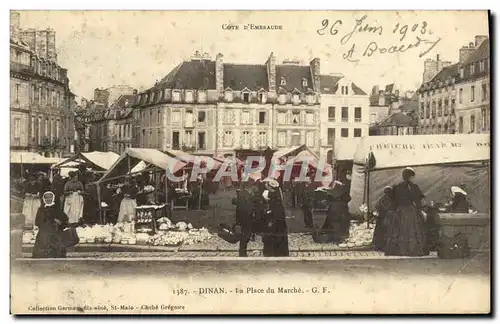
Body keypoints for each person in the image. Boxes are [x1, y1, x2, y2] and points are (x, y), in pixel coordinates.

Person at [384, 167, 429, 257]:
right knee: (413, 230)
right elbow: (418, 199)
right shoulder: (413, 187)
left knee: (399, 230)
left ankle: (398, 250)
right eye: (412, 176)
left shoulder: (397, 186)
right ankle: (412, 250)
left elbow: (393, 199)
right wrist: (420, 209)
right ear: (410, 177)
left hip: (400, 211)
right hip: (410, 211)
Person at [32, 192, 69, 258]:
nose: (48, 199)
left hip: (55, 230)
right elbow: (37, 222)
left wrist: (60, 222)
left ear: (53, 198)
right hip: (44, 231)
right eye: (46, 198)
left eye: (50, 197)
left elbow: (65, 219)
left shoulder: (57, 208)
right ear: (44, 199)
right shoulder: (41, 209)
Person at [262, 179, 289, 257]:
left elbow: (273, 209)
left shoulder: (271, 195)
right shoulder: (277, 194)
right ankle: (279, 252)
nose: (265, 185)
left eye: (266, 184)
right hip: (278, 220)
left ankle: (273, 252)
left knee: (273, 236)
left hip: (274, 220)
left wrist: (269, 213)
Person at [372, 186, 396, 251]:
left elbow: (377, 207)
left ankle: (379, 245)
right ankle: (385, 246)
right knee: (387, 232)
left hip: (382, 218)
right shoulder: (392, 200)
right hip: (388, 218)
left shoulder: (382, 199)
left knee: (381, 233)